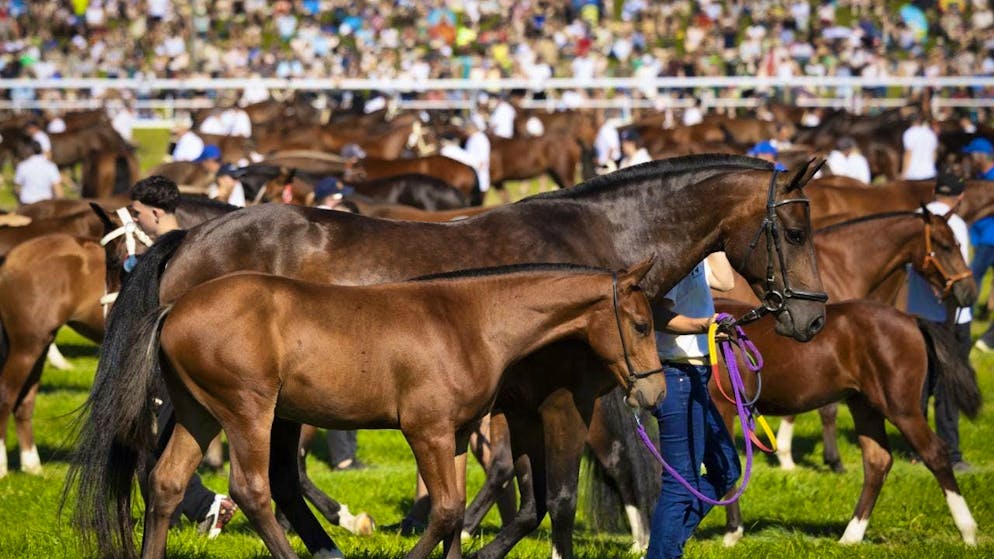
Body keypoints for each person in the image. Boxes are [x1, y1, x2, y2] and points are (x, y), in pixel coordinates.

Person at [128, 176, 239, 537]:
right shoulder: (198, 249)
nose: (135, 221)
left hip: (174, 363)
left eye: (137, 214)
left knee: (157, 443)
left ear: (156, 213)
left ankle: (205, 506)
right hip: (180, 359)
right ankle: (189, 512)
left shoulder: (175, 257)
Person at [647, 252, 740, 559]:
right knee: (680, 482)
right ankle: (663, 552)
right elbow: (656, 314)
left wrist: (715, 243)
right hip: (677, 374)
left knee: (726, 468)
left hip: (695, 375)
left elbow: (726, 282)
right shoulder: (676, 260)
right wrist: (703, 325)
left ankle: (665, 547)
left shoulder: (697, 257)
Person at [905, 172, 972, 472]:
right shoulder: (954, 224)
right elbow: (959, 275)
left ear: (933, 191)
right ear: (960, 197)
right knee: (948, 387)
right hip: (950, 319)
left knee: (919, 383)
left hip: (917, 315)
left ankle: (916, 448)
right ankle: (951, 453)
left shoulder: (914, 220)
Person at [13, 140, 62, 205]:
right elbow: (58, 189)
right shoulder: (51, 166)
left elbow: (17, 188)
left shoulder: (22, 166)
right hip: (46, 204)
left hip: (27, 203)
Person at [902, 114, 938, 180]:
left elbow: (908, 154)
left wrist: (904, 172)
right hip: (930, 173)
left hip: (913, 174)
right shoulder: (930, 133)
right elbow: (934, 154)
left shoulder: (909, 133)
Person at [463, 118, 492, 201]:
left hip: (479, 171)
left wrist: (479, 166)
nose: (465, 132)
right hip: (472, 170)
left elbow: (483, 156)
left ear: (470, 128)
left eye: (466, 129)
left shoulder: (480, 138)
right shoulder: (472, 138)